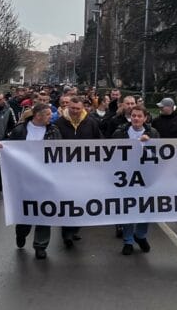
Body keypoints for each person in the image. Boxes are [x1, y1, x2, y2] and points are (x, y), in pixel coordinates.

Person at [0, 103, 63, 259]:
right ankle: (21, 232)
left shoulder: (53, 131)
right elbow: (9, 147)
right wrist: (2, 147)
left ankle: (41, 245)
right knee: (26, 210)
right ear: (38, 115)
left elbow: (61, 151)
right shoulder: (20, 130)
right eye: (48, 114)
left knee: (45, 211)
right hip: (24, 179)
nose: (51, 117)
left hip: (46, 179)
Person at [53, 96, 105, 248]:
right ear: (67, 107)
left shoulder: (91, 123)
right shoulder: (58, 124)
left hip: (85, 172)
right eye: (72, 108)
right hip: (65, 172)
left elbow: (100, 143)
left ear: (82, 108)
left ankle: (75, 229)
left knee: (81, 201)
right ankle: (66, 233)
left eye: (78, 108)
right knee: (67, 202)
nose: (75, 111)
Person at [112, 106, 160, 255]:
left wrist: (148, 145)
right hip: (125, 176)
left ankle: (140, 235)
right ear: (130, 117)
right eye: (133, 116)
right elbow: (111, 154)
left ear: (145, 118)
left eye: (139, 116)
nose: (136, 119)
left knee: (145, 208)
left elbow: (160, 155)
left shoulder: (153, 133)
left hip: (145, 177)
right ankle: (128, 241)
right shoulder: (120, 133)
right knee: (127, 209)